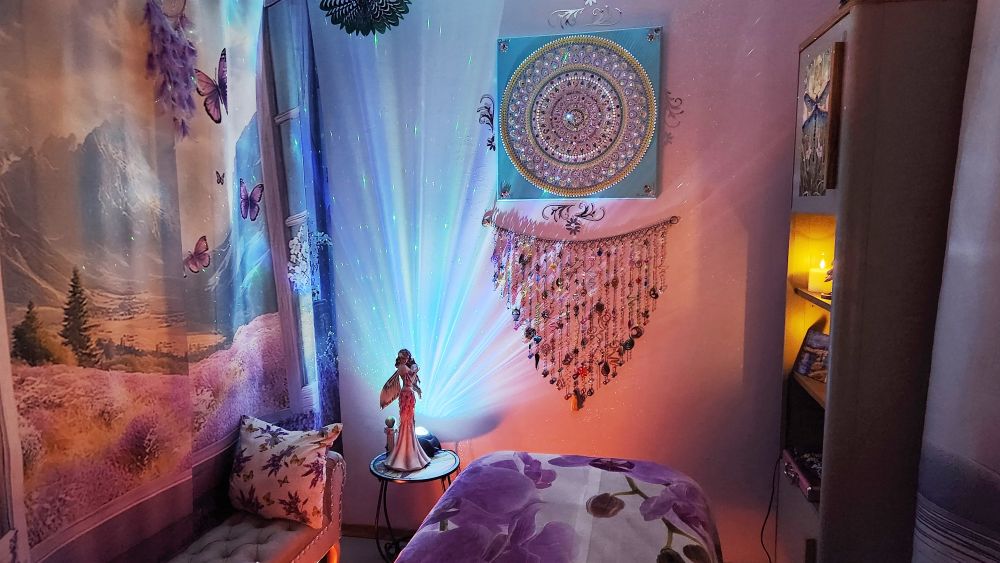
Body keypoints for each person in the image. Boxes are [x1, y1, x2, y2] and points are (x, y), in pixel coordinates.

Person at [380, 349, 431, 471]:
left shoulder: (405, 367)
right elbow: (410, 379)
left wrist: (417, 389)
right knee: (406, 422)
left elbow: (411, 382)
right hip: (406, 396)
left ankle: (410, 453)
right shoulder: (402, 368)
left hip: (409, 395)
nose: (405, 359)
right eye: (403, 358)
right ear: (400, 358)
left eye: (406, 357)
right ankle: (404, 455)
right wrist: (415, 371)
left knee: (410, 423)